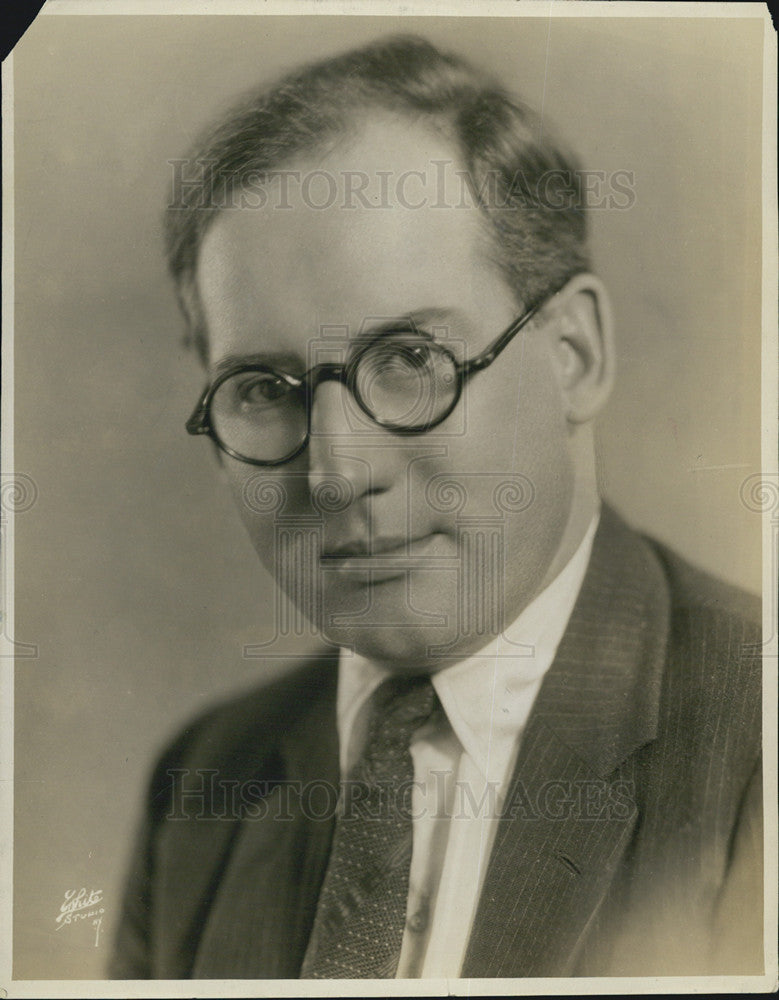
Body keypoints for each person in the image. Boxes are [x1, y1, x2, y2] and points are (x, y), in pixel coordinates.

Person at [110, 35, 763, 980]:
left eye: (411, 361)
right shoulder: (205, 786)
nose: (336, 473)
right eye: (262, 387)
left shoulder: (756, 744)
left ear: (572, 354)